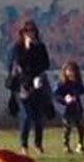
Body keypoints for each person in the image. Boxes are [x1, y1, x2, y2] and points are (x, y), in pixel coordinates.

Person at [8, 20, 54, 153]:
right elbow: (16, 64)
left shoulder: (40, 47)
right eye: (27, 31)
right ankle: (24, 145)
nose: (30, 34)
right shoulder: (17, 48)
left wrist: (38, 78)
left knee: (38, 116)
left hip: (37, 84)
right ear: (22, 33)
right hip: (22, 86)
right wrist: (27, 48)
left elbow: (45, 64)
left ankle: (38, 144)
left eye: (32, 31)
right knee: (26, 115)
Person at [54, 60, 84, 155]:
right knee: (67, 128)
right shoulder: (62, 84)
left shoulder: (77, 83)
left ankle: (80, 144)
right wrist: (65, 99)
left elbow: (83, 89)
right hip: (67, 110)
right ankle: (66, 145)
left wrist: (77, 93)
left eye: (73, 71)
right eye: (69, 71)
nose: (71, 73)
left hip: (77, 108)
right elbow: (56, 95)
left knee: (81, 127)